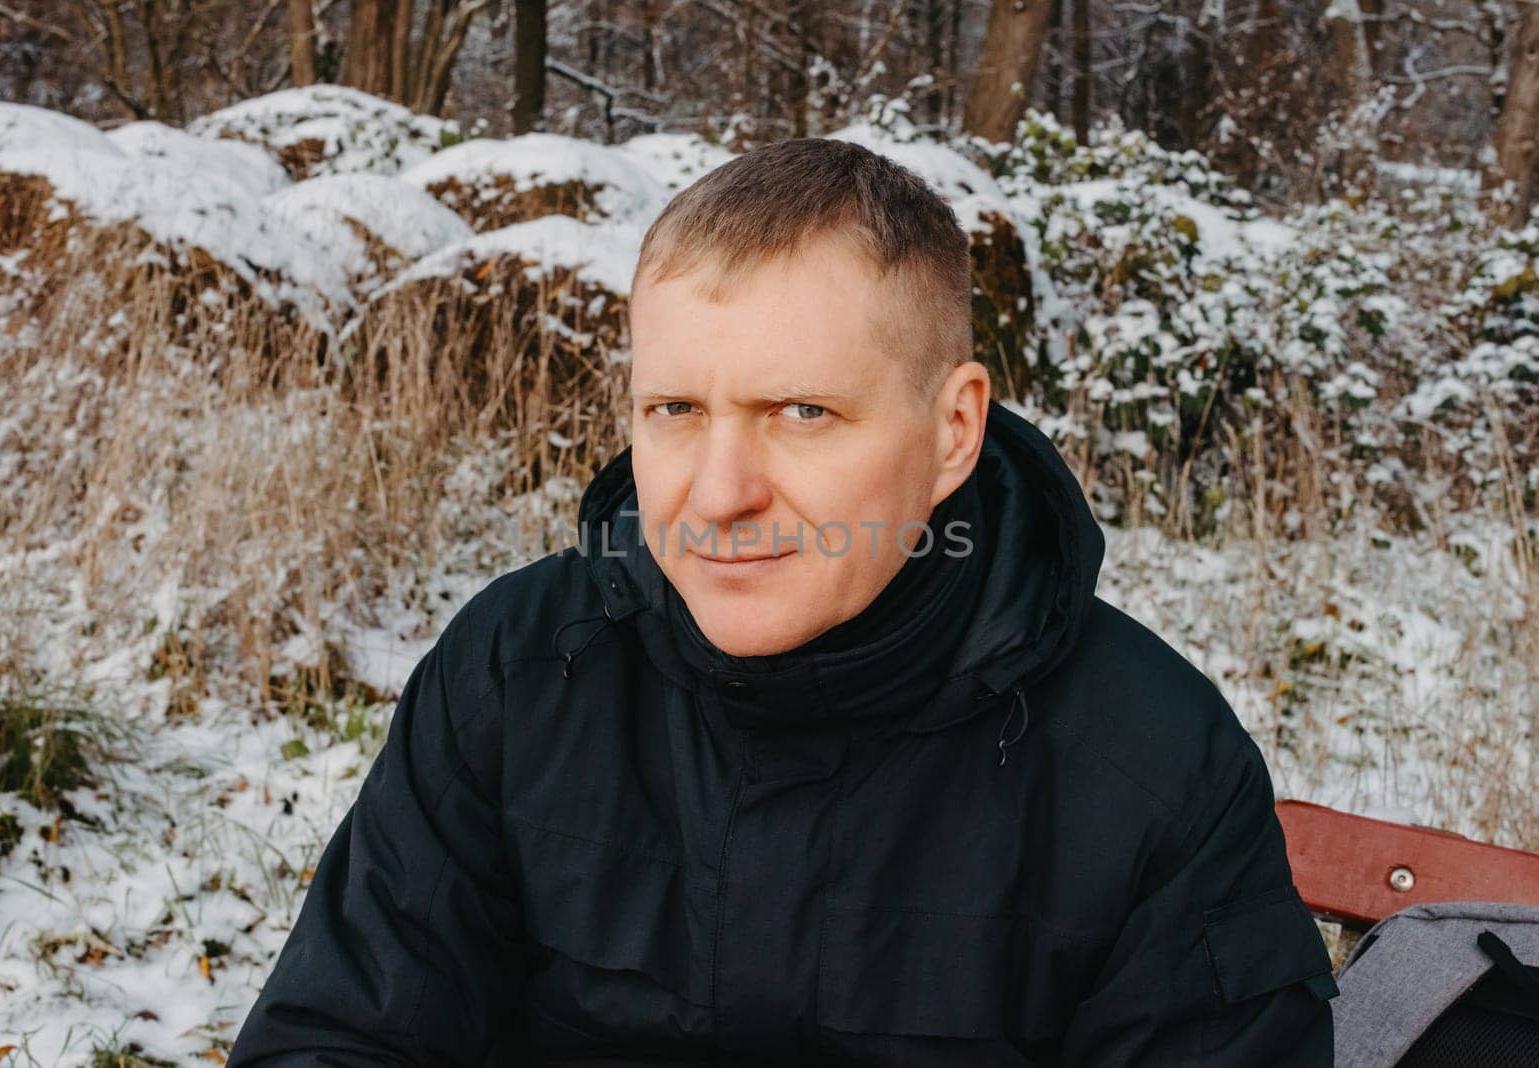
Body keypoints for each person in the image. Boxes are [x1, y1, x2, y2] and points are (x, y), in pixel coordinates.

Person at [226, 137, 1337, 1066]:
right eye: (672, 409)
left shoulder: (1151, 769)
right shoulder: (519, 675)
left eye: (801, 411)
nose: (717, 497)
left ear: (952, 430)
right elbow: (336, 1035)